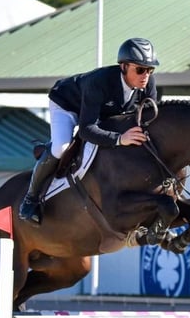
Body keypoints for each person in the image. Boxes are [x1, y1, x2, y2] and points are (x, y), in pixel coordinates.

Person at [19, 37, 160, 224]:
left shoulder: (148, 85)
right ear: (124, 66)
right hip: (67, 104)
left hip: (101, 110)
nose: (146, 76)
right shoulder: (100, 82)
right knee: (61, 148)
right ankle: (30, 199)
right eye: (140, 70)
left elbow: (149, 120)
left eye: (150, 70)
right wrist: (119, 139)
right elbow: (86, 130)